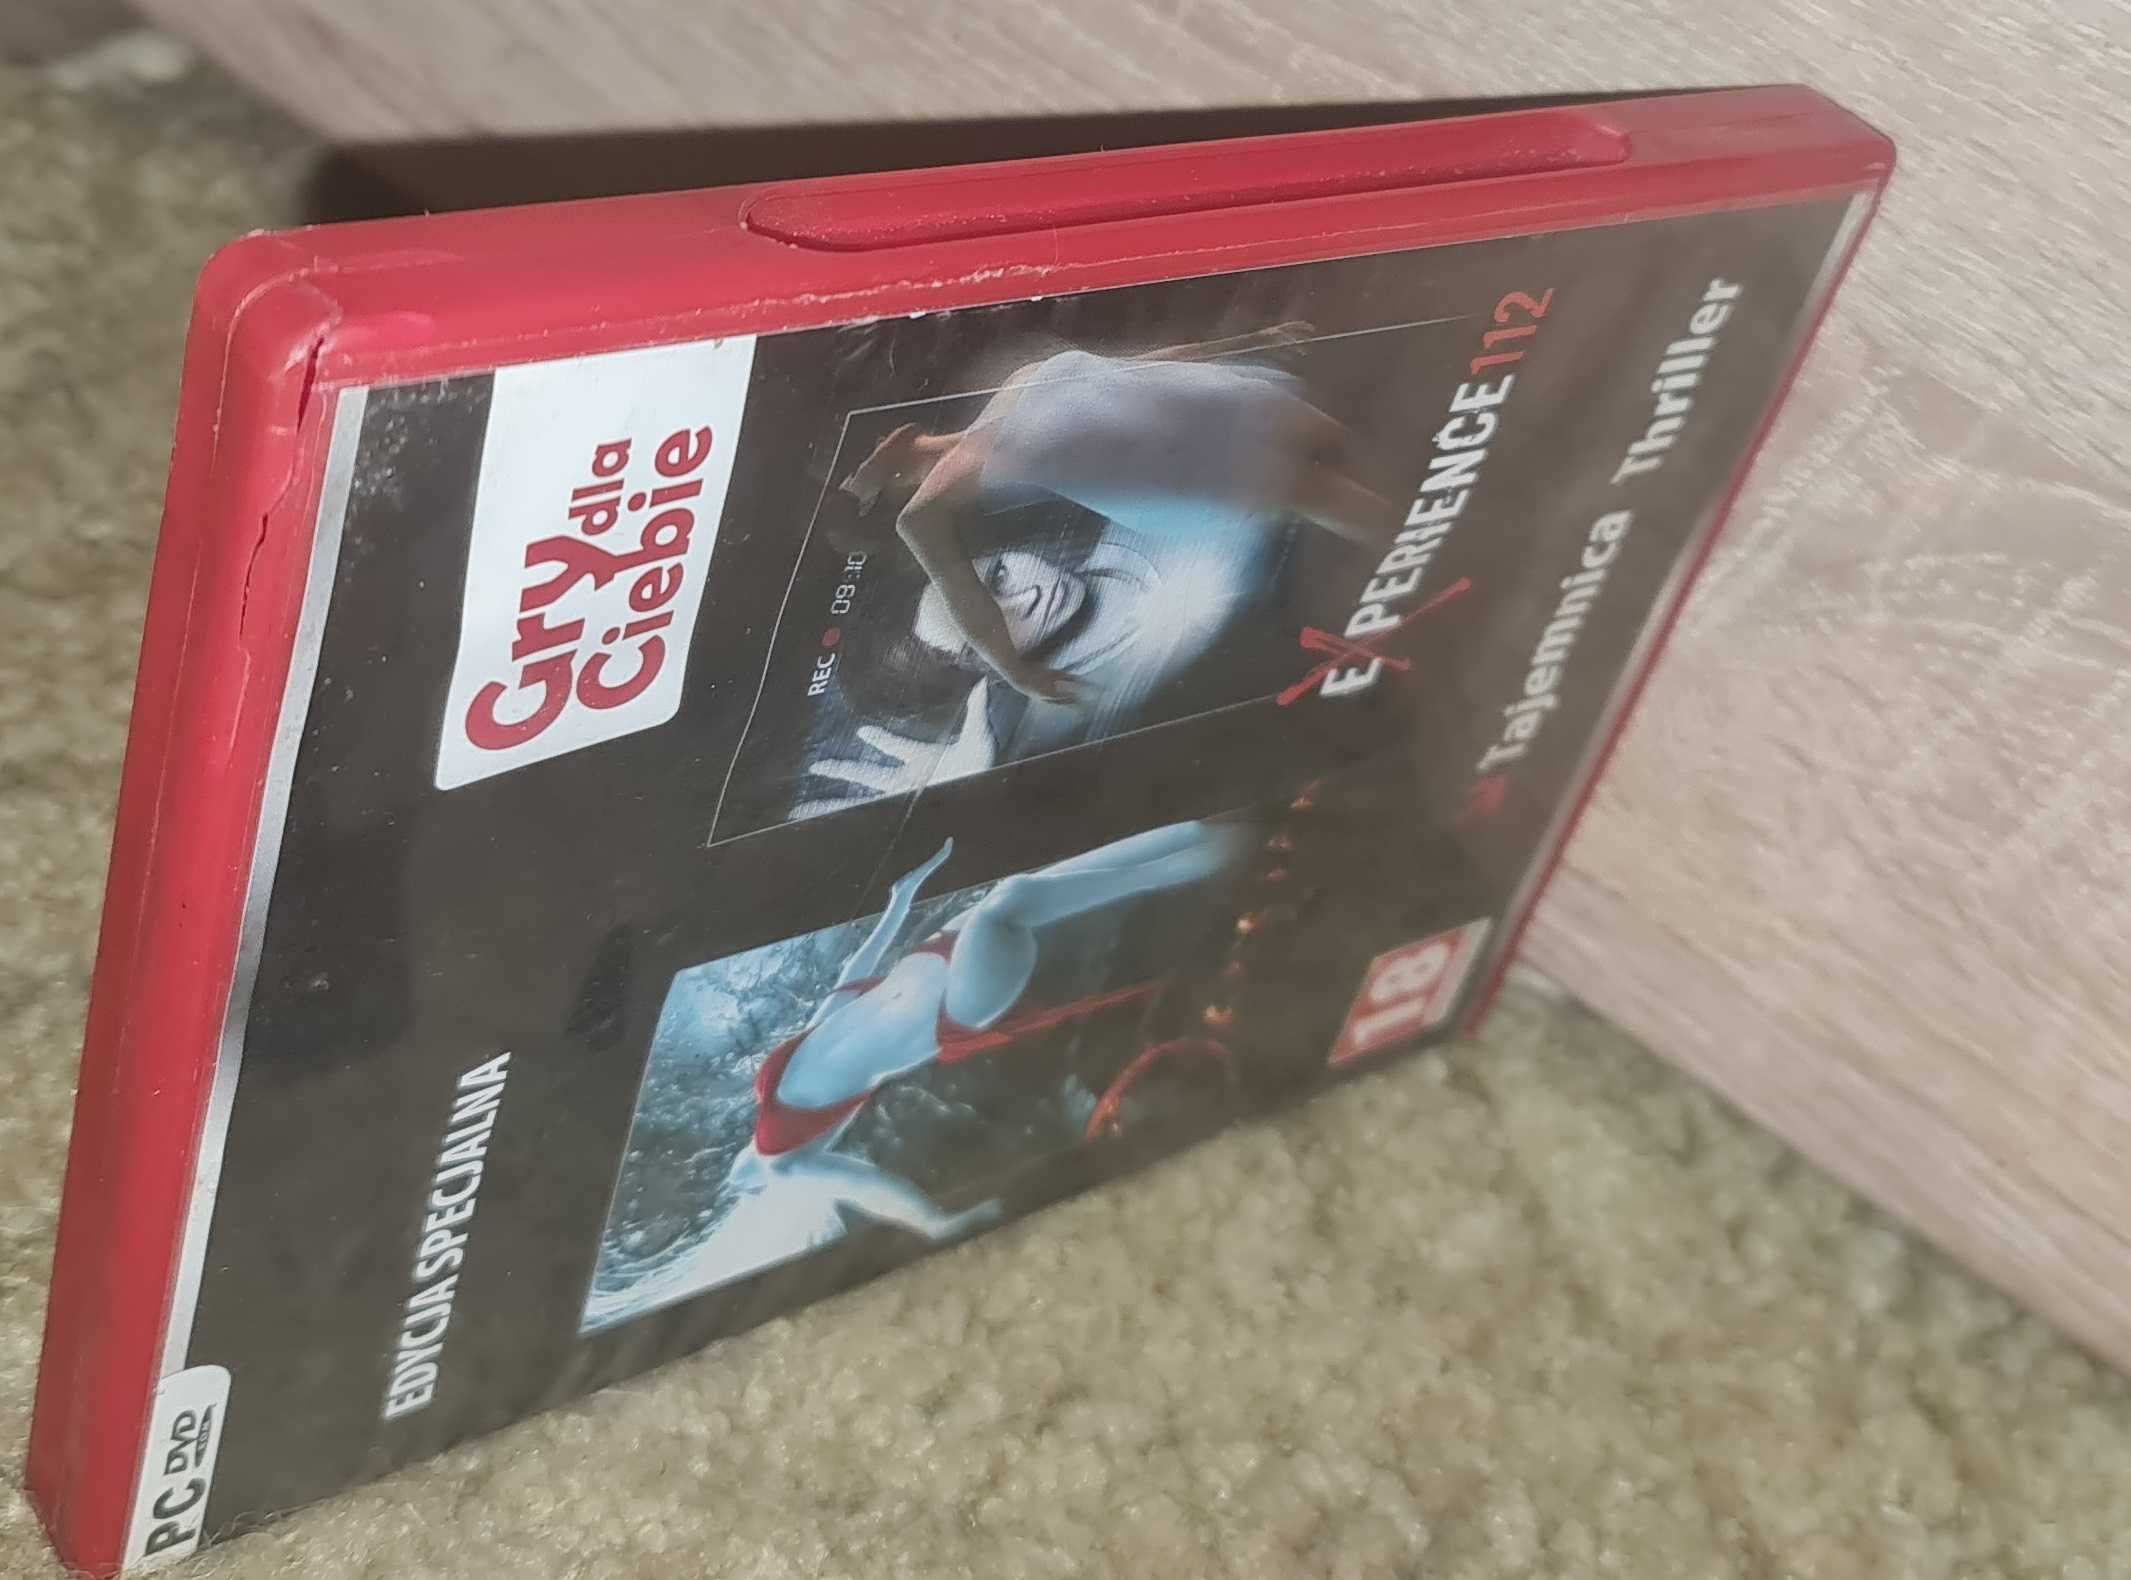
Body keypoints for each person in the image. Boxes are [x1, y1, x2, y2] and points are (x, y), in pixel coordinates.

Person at [711, 818, 1246, 1252]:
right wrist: (934, 1223)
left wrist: (900, 899)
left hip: (935, 952)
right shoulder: (788, 1166)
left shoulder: (772, 1086)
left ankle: (1195, 830)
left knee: (1051, 879)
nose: (734, 1176)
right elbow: (868, 1188)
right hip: (957, 1004)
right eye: (739, 1187)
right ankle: (1201, 858)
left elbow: (851, 978)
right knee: (1009, 902)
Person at [837, 324, 1396, 706]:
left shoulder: (1017, 386)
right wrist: (1016, 672)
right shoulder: (933, 500)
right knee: (1324, 492)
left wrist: (1248, 343)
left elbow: (1138, 367)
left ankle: (1420, 526)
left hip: (1207, 407)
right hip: (1187, 465)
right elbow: (965, 597)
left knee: (1340, 456)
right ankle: (1424, 545)